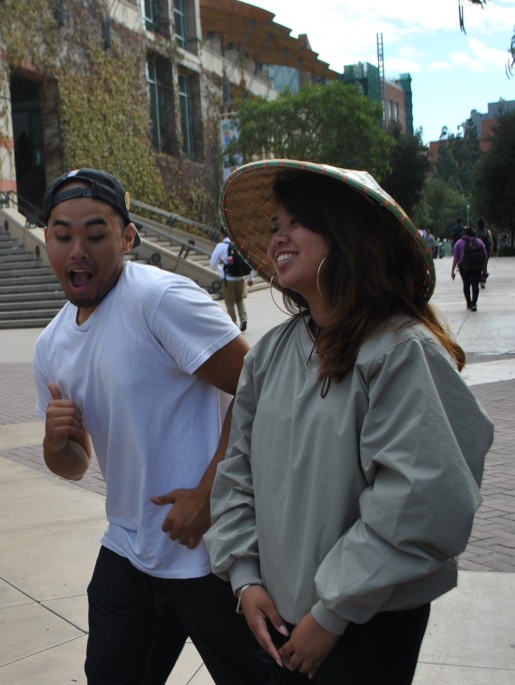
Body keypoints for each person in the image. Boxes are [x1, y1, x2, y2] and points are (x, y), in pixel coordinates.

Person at [207, 159, 492, 684]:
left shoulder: (401, 352)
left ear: (346, 236)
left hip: (369, 623)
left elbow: (423, 500)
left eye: (298, 222)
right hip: (278, 617)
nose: (279, 237)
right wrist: (245, 581)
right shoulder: (269, 355)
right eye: (274, 227)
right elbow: (237, 474)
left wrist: (331, 611)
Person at [33, 168, 267, 684]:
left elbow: (261, 386)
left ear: (128, 238)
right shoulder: (51, 345)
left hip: (212, 556)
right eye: (62, 234)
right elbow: (74, 465)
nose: (77, 250)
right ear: (45, 238)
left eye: (96, 235)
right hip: (130, 550)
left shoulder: (159, 300)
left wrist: (211, 492)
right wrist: (55, 443)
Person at [210, 226, 254, 331]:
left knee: (230, 303)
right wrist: (250, 279)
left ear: (222, 234)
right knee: (240, 299)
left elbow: (213, 263)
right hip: (241, 278)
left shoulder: (221, 246)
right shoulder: (240, 244)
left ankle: (233, 324)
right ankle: (244, 319)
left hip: (228, 280)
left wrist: (222, 271)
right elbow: (248, 262)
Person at [451, 225, 488, 311]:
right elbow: (485, 256)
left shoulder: (459, 242)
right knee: (475, 285)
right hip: (476, 266)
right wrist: (484, 268)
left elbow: (456, 258)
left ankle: (469, 303)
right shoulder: (479, 242)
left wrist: (452, 271)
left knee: (466, 284)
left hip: (463, 266)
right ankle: (474, 304)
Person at [475, 218, 494, 287]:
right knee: (484, 267)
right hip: (485, 251)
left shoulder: (475, 232)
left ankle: (478, 279)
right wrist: (491, 250)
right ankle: (483, 281)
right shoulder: (487, 231)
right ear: (484, 224)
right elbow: (491, 241)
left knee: (477, 266)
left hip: (476, 252)